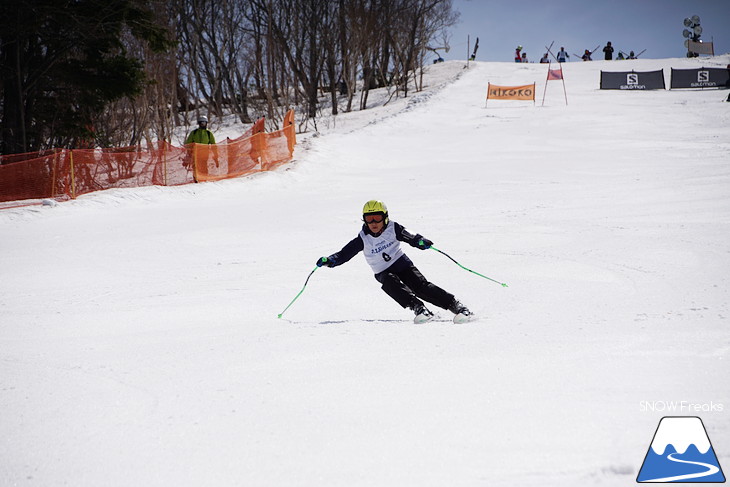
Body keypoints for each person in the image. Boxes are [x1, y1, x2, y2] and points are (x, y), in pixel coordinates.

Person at [316, 200, 474, 323]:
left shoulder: (393, 228)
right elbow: (344, 254)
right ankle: (419, 308)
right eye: (369, 219)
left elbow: (410, 236)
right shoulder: (363, 239)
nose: (373, 223)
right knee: (390, 282)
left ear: (385, 217)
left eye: (377, 218)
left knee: (421, 287)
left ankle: (456, 305)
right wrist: (330, 261)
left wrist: (420, 241)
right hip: (382, 271)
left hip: (401, 263)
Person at [184, 115, 219, 180]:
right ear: (199, 123)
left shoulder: (208, 133)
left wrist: (215, 156)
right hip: (195, 153)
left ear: (206, 123)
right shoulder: (194, 133)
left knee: (204, 166)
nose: (203, 124)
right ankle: (196, 178)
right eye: (201, 123)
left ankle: (204, 178)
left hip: (205, 154)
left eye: (204, 123)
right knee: (196, 166)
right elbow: (188, 143)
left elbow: (213, 145)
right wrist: (189, 152)